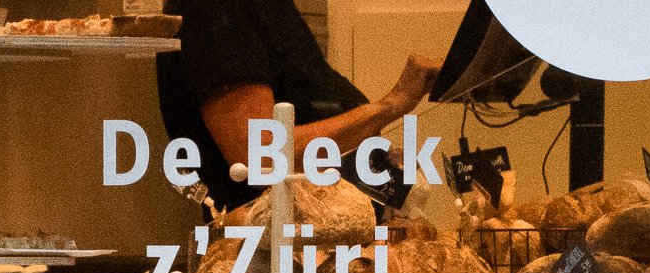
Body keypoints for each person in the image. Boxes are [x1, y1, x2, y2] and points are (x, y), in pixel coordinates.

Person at [157, 0, 444, 211]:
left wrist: (371, 149)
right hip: (273, 256)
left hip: (307, 246)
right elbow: (261, 158)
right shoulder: (217, 8)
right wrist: (389, 106)